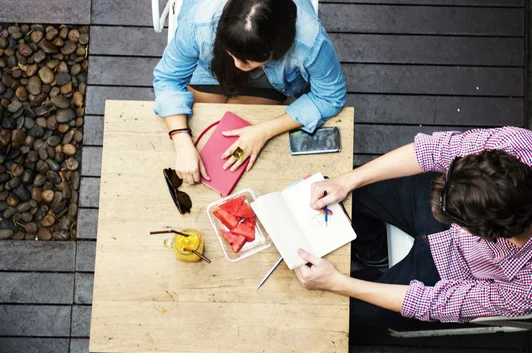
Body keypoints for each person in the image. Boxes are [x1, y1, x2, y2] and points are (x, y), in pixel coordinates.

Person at [293, 126, 532, 329]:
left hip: (451, 274)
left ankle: (369, 273)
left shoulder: (526, 287)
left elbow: (432, 303)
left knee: (339, 313)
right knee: (344, 194)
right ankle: (373, 254)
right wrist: (346, 181)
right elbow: (430, 150)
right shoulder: (517, 143)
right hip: (459, 198)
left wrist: (338, 283)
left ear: (484, 235)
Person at [153, 0, 345, 185]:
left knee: (231, 149)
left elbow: (330, 96)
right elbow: (169, 78)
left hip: (268, 80)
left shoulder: (309, 41)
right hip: (208, 66)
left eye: (247, 62)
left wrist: (263, 132)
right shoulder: (200, 23)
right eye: (232, 54)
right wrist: (181, 139)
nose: (237, 65)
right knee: (204, 138)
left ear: (278, 48)